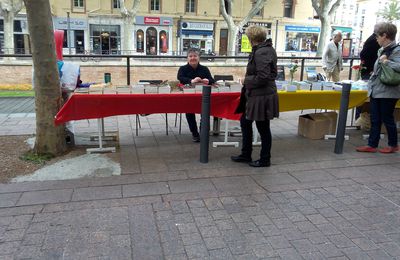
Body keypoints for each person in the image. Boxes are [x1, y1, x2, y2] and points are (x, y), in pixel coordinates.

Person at [231, 25, 279, 167]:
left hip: (261, 96)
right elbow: (271, 73)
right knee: (245, 122)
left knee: (263, 127)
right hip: (257, 94)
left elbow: (263, 77)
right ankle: (246, 154)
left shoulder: (261, 52)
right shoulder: (265, 49)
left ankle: (265, 159)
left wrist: (247, 80)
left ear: (251, 38)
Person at [356, 22, 400, 153]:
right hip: (377, 89)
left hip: (388, 90)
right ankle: (372, 144)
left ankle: (393, 145)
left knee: (387, 118)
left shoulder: (396, 50)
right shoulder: (382, 50)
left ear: (385, 35)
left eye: (377, 36)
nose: (376, 38)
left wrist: (386, 61)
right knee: (375, 118)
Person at [177, 48, 215, 142]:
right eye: (190, 56)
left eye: (195, 56)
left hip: (203, 96)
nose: (193, 58)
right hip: (188, 96)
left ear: (199, 58)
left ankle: (203, 132)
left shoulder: (204, 69)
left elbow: (212, 80)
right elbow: (180, 78)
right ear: (187, 58)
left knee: (205, 112)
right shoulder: (183, 68)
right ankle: (194, 133)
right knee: (189, 112)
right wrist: (191, 81)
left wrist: (208, 80)